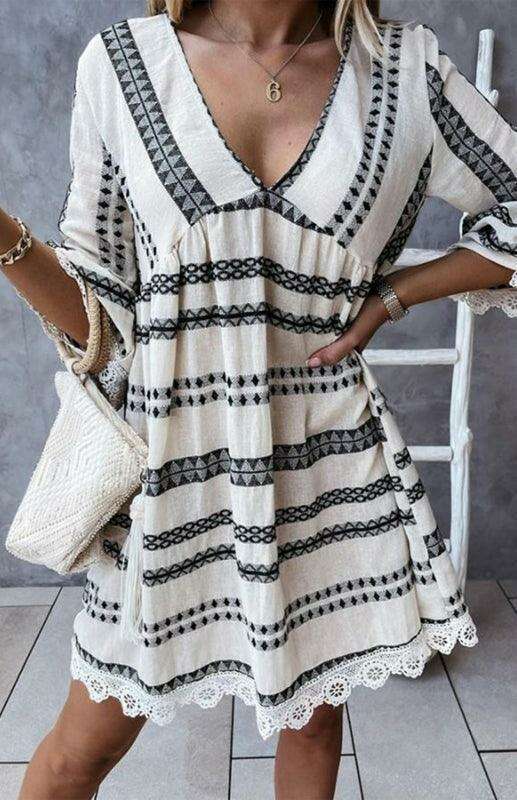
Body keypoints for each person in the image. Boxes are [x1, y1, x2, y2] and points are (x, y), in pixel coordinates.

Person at [2, 1, 516, 798]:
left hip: (324, 465)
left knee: (309, 725)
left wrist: (397, 293)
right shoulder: (124, 65)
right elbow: (100, 319)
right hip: (174, 473)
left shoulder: (403, 71)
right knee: (80, 753)